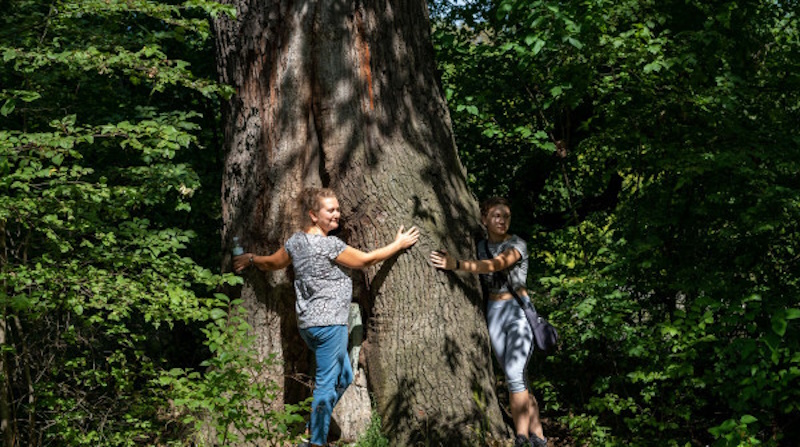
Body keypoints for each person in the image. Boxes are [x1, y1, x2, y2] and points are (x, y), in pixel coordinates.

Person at [233, 187, 420, 447]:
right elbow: (366, 260)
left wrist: (251, 258)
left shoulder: (296, 242)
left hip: (309, 326)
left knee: (343, 376)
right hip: (330, 325)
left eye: (338, 209)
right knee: (325, 385)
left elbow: (274, 263)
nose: (337, 215)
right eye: (330, 210)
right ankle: (315, 442)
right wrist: (397, 245)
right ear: (313, 215)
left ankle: (313, 427)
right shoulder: (329, 245)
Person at [429, 197, 547, 447]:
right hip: (494, 312)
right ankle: (540, 437)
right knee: (518, 377)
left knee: (515, 375)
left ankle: (522, 438)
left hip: (517, 312)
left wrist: (456, 264)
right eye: (496, 216)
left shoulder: (517, 245)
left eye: (506, 216)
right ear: (484, 220)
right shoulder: (480, 246)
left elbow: (496, 265)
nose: (502, 220)